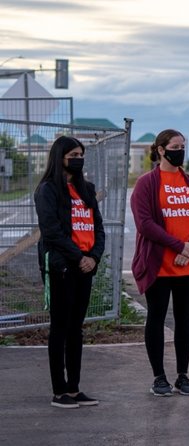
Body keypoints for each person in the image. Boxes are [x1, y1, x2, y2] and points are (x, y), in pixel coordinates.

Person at [131, 129, 189, 396]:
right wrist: (179, 246)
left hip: (188, 265)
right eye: (176, 146)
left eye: (183, 146)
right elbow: (144, 224)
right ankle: (159, 377)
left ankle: (183, 375)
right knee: (156, 317)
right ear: (162, 150)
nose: (181, 150)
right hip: (159, 265)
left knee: (184, 320)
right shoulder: (147, 183)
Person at [34, 136, 105, 408]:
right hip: (62, 267)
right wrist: (78, 258)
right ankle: (59, 390)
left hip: (86, 266)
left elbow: (98, 227)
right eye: (73, 154)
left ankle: (74, 389)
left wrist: (94, 257)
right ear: (60, 157)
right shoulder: (48, 190)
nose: (78, 159)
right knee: (60, 328)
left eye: (81, 154)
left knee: (77, 329)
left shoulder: (86, 188)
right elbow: (51, 232)